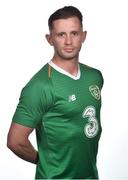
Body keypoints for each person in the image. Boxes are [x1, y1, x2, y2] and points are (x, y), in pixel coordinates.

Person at [7, 6, 104, 179]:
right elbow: (15, 142)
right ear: (50, 39)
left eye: (74, 33)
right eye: (61, 34)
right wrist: (42, 161)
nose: (68, 41)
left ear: (84, 36)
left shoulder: (94, 76)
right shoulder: (40, 86)